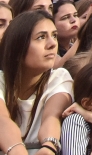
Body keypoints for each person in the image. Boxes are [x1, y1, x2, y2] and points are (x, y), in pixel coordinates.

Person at [0, 10, 74, 155]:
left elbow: (52, 116)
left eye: (54, 35)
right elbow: (2, 120)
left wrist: (48, 147)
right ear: (18, 47)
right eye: (41, 37)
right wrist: (16, 150)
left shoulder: (60, 77)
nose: (52, 44)